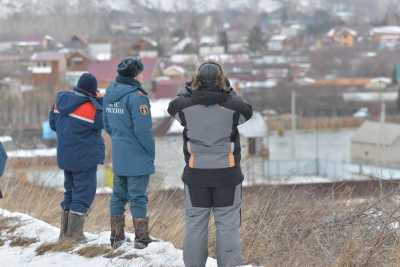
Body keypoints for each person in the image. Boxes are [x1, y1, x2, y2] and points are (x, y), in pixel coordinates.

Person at [168, 61, 253, 267]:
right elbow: (246, 110)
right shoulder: (232, 106)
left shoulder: (185, 106)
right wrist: (228, 89)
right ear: (221, 79)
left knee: (196, 225)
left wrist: (190, 90)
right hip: (227, 174)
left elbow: (173, 106)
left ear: (196, 80)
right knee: (228, 226)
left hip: (196, 174)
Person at [103, 57, 155, 249]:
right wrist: (150, 152)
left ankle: (116, 237)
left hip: (119, 152)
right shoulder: (137, 97)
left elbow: (107, 124)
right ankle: (141, 239)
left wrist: (119, 137)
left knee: (118, 196)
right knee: (138, 196)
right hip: (137, 154)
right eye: (141, 71)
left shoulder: (110, 92)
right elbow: (143, 131)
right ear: (136, 74)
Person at [49, 73, 105, 242]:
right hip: (84, 159)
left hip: (66, 157)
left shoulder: (60, 102)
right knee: (84, 194)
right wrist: (100, 101)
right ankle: (75, 235)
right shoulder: (92, 109)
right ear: (92, 91)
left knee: (70, 192)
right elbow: (104, 123)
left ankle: (64, 234)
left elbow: (53, 125)